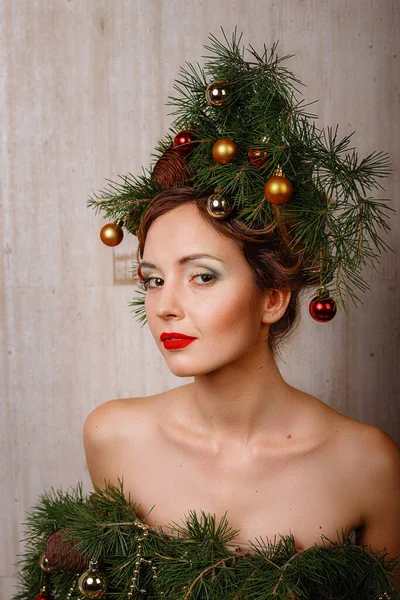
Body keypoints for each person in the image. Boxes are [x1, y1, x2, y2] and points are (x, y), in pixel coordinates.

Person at [84, 187, 400, 592]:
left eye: (202, 276)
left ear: (272, 299)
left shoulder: (368, 464)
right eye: (155, 279)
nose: (165, 305)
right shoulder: (113, 437)